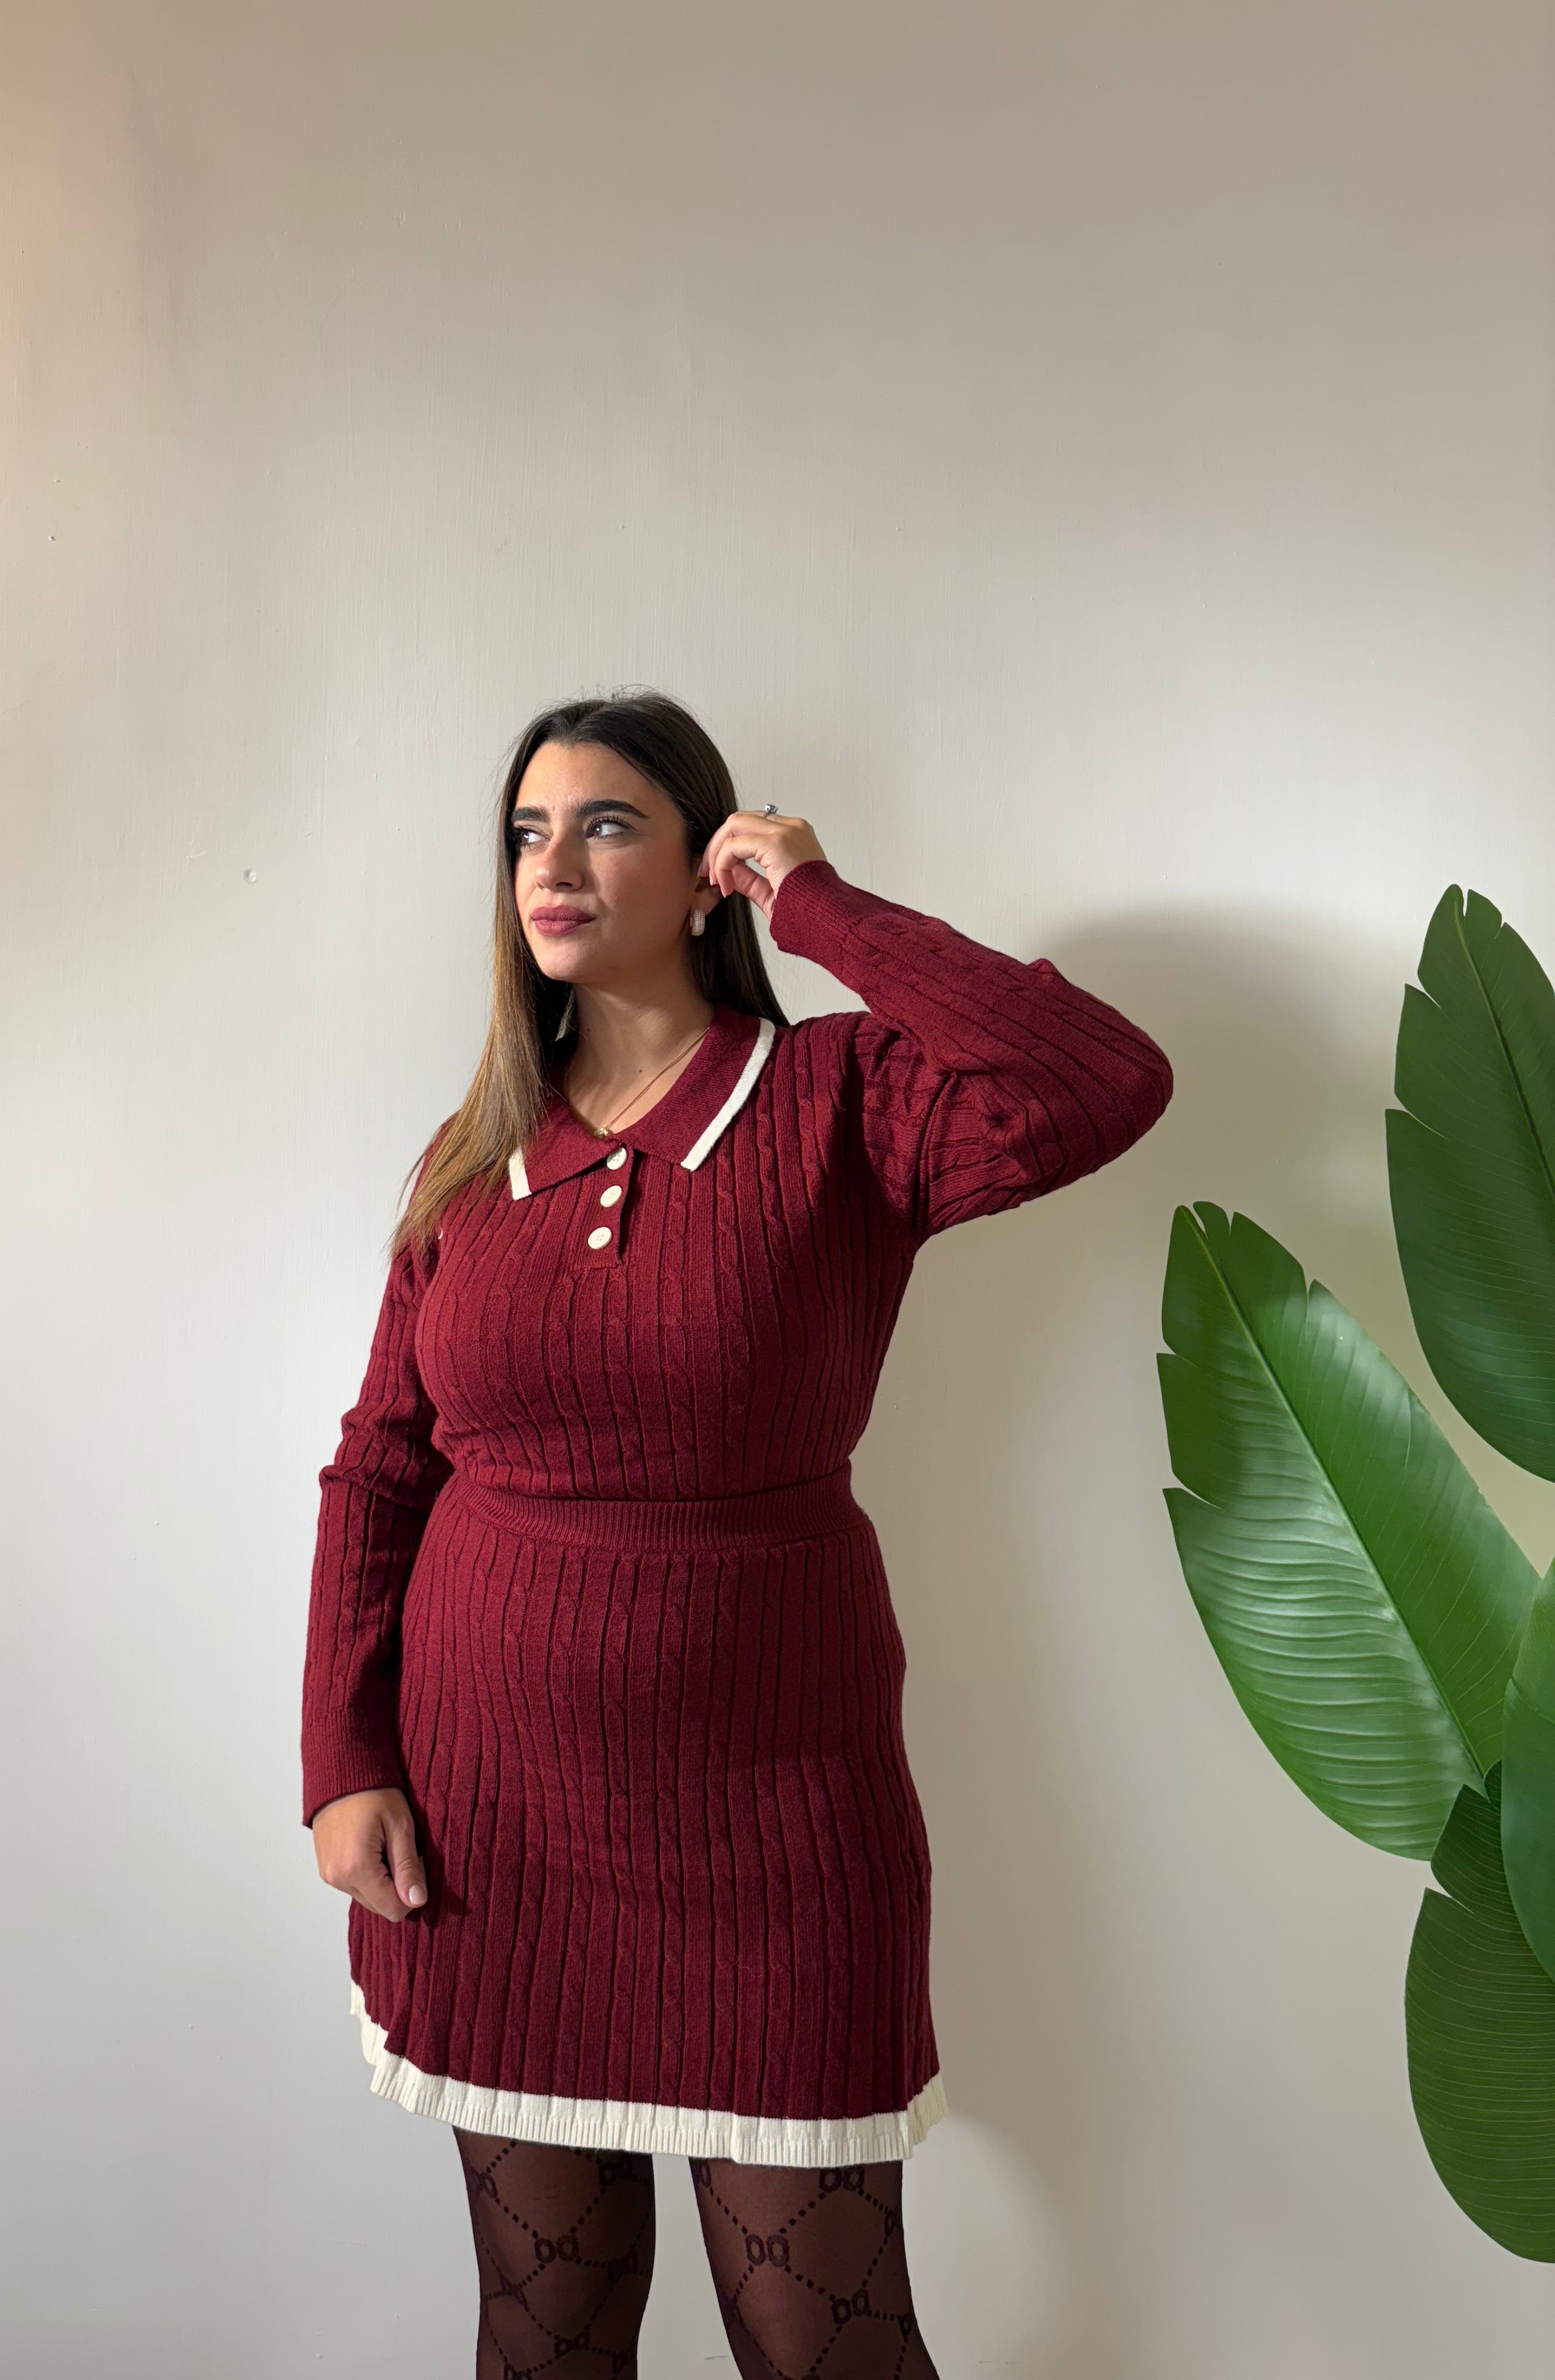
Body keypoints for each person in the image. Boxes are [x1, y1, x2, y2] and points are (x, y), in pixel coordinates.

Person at [301, 688, 1174, 2378]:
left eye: (605, 824)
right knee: (545, 2335)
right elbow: (381, 1471)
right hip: (492, 1831)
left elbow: (1100, 1081)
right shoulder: (473, 1158)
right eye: (526, 833)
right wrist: (343, 1758)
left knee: (827, 2348)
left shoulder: (843, 1100)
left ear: (709, 868)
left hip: (779, 1826)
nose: (551, 866)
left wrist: (822, 907)